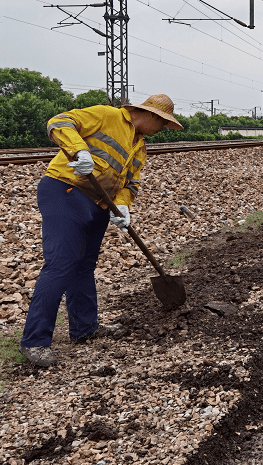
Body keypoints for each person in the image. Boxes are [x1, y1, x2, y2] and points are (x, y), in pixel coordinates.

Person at [19, 94, 183, 367]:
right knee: (61, 264)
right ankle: (35, 342)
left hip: (98, 202)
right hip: (65, 190)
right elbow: (60, 122)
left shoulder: (140, 146)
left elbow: (129, 184)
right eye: (163, 124)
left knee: (84, 265)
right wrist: (79, 151)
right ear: (152, 116)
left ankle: (85, 329)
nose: (162, 130)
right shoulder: (107, 115)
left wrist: (122, 208)